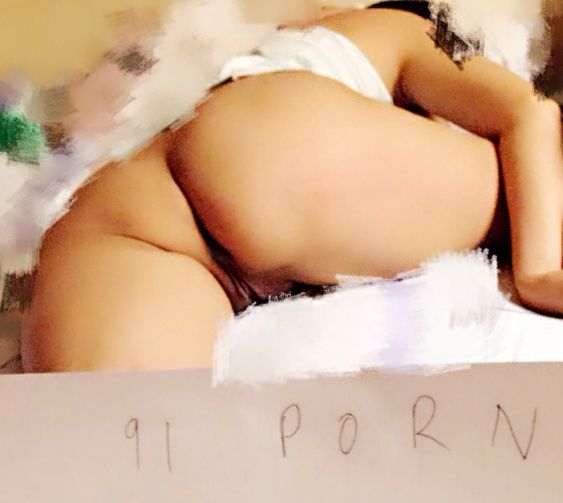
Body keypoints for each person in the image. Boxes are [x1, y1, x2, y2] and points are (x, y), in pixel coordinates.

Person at [22, 2, 563, 372]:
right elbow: (531, 110)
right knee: (534, 173)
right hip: (280, 146)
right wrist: (539, 269)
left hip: (136, 219)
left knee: (123, 449)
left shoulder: (292, 53)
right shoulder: (412, 28)